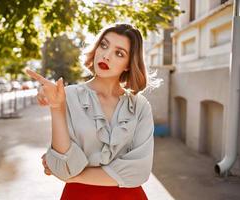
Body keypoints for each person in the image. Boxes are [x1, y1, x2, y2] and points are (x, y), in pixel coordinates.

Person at [26, 23, 154, 200]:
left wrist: (75, 176)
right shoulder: (67, 96)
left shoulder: (140, 106)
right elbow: (65, 165)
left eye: (119, 53)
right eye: (104, 45)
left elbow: (139, 171)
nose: (106, 55)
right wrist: (56, 108)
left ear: (128, 64)